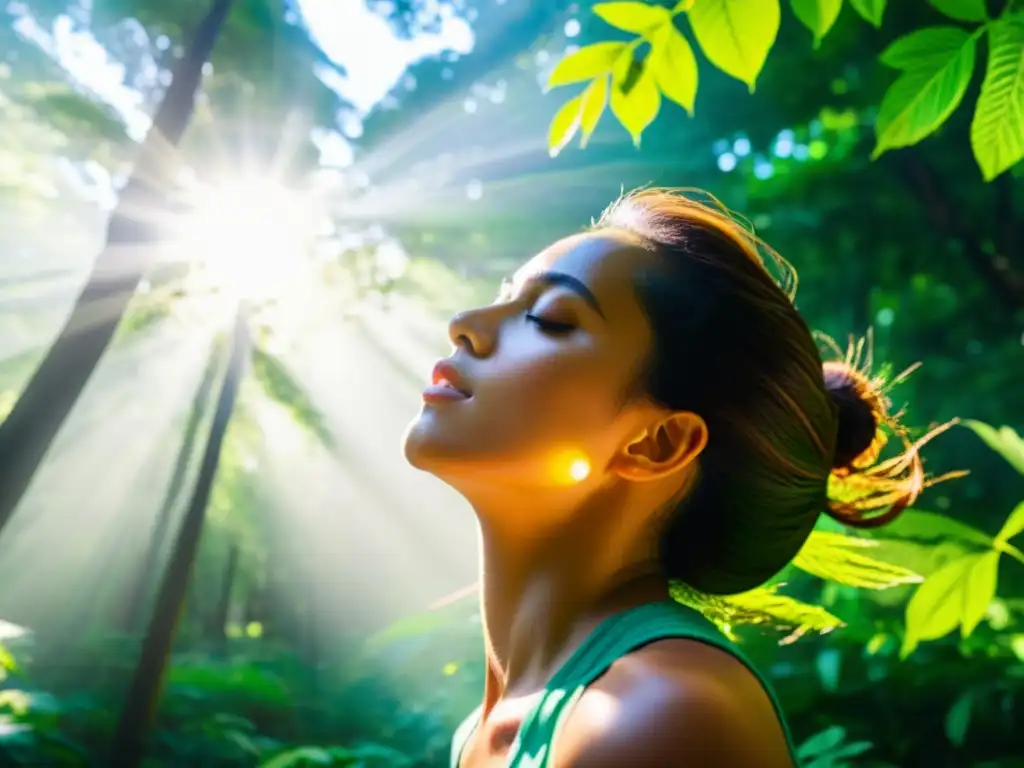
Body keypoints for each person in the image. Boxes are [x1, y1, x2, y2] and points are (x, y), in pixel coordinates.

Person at [403, 188, 939, 767]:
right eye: (503, 297)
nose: (465, 324)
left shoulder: (662, 713)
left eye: (551, 318)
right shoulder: (483, 735)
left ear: (656, 444)